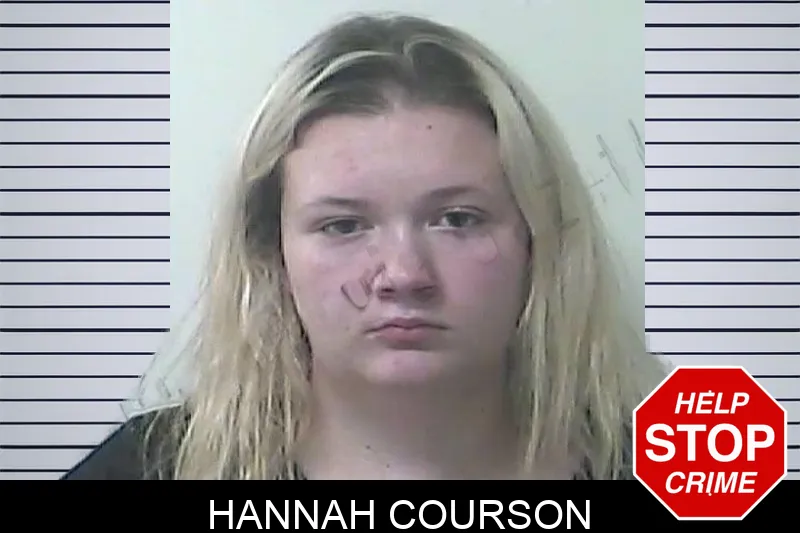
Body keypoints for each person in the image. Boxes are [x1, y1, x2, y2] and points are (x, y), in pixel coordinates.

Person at [63, 13, 666, 480]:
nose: (403, 274)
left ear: (539, 239)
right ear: (271, 252)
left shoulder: (675, 472)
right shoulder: (150, 468)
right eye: (343, 226)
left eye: (457, 219)